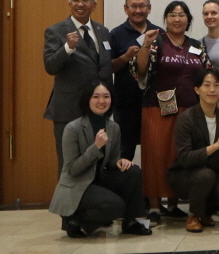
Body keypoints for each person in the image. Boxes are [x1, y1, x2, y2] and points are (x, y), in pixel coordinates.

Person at [131, 0, 212, 225]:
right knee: (156, 155)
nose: (177, 19)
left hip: (189, 109)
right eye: (172, 15)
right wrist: (145, 46)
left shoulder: (196, 45)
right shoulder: (155, 40)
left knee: (179, 155)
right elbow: (139, 70)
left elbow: (207, 72)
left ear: (189, 20)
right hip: (157, 108)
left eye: (182, 14)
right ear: (165, 19)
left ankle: (174, 205)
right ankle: (155, 207)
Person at [49, 81, 151, 238]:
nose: (101, 101)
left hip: (98, 179)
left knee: (133, 171)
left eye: (106, 96)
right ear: (87, 99)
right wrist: (96, 147)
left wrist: (119, 162)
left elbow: (112, 160)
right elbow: (72, 170)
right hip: (78, 184)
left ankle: (131, 222)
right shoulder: (73, 128)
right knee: (115, 206)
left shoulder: (113, 127)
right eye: (96, 96)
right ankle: (74, 219)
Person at [44, 0, 113, 175]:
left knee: (97, 161)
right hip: (68, 109)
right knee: (69, 164)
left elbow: (103, 66)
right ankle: (67, 197)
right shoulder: (56, 31)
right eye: (75, 0)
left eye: (85, 0)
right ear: (70, 5)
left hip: (98, 109)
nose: (80, 4)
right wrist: (67, 48)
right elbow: (50, 66)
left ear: (94, 5)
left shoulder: (103, 31)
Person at [167, 68, 219, 233]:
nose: (212, 90)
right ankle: (193, 216)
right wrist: (215, 146)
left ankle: (206, 212)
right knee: (205, 175)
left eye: (217, 85)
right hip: (184, 174)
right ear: (197, 89)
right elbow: (185, 157)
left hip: (211, 172)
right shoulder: (186, 118)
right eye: (207, 85)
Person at [109, 0, 164, 160]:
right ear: (125, 9)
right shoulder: (115, 34)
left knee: (156, 152)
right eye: (133, 6)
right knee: (124, 153)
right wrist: (125, 57)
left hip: (154, 103)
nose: (138, 10)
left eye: (142, 6)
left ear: (149, 8)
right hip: (125, 104)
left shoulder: (160, 33)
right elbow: (108, 68)